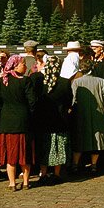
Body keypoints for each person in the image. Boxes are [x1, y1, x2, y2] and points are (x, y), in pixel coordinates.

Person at [0, 54, 36, 190]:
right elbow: (32, 102)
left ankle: (12, 183)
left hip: (6, 122)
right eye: (23, 64)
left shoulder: (1, 81)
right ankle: (25, 182)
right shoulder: (25, 81)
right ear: (16, 65)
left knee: (10, 154)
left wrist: (0, 119)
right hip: (23, 121)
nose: (25, 66)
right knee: (25, 154)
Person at [70, 57, 104, 174]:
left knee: (79, 140)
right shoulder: (101, 81)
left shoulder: (76, 82)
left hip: (80, 115)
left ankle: (75, 164)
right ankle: (94, 165)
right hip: (98, 115)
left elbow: (73, 100)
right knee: (97, 141)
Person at [33, 53, 70, 184]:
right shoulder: (64, 83)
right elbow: (68, 102)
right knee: (58, 147)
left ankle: (43, 173)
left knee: (44, 147)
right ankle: (57, 173)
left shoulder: (40, 82)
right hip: (59, 120)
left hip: (43, 120)